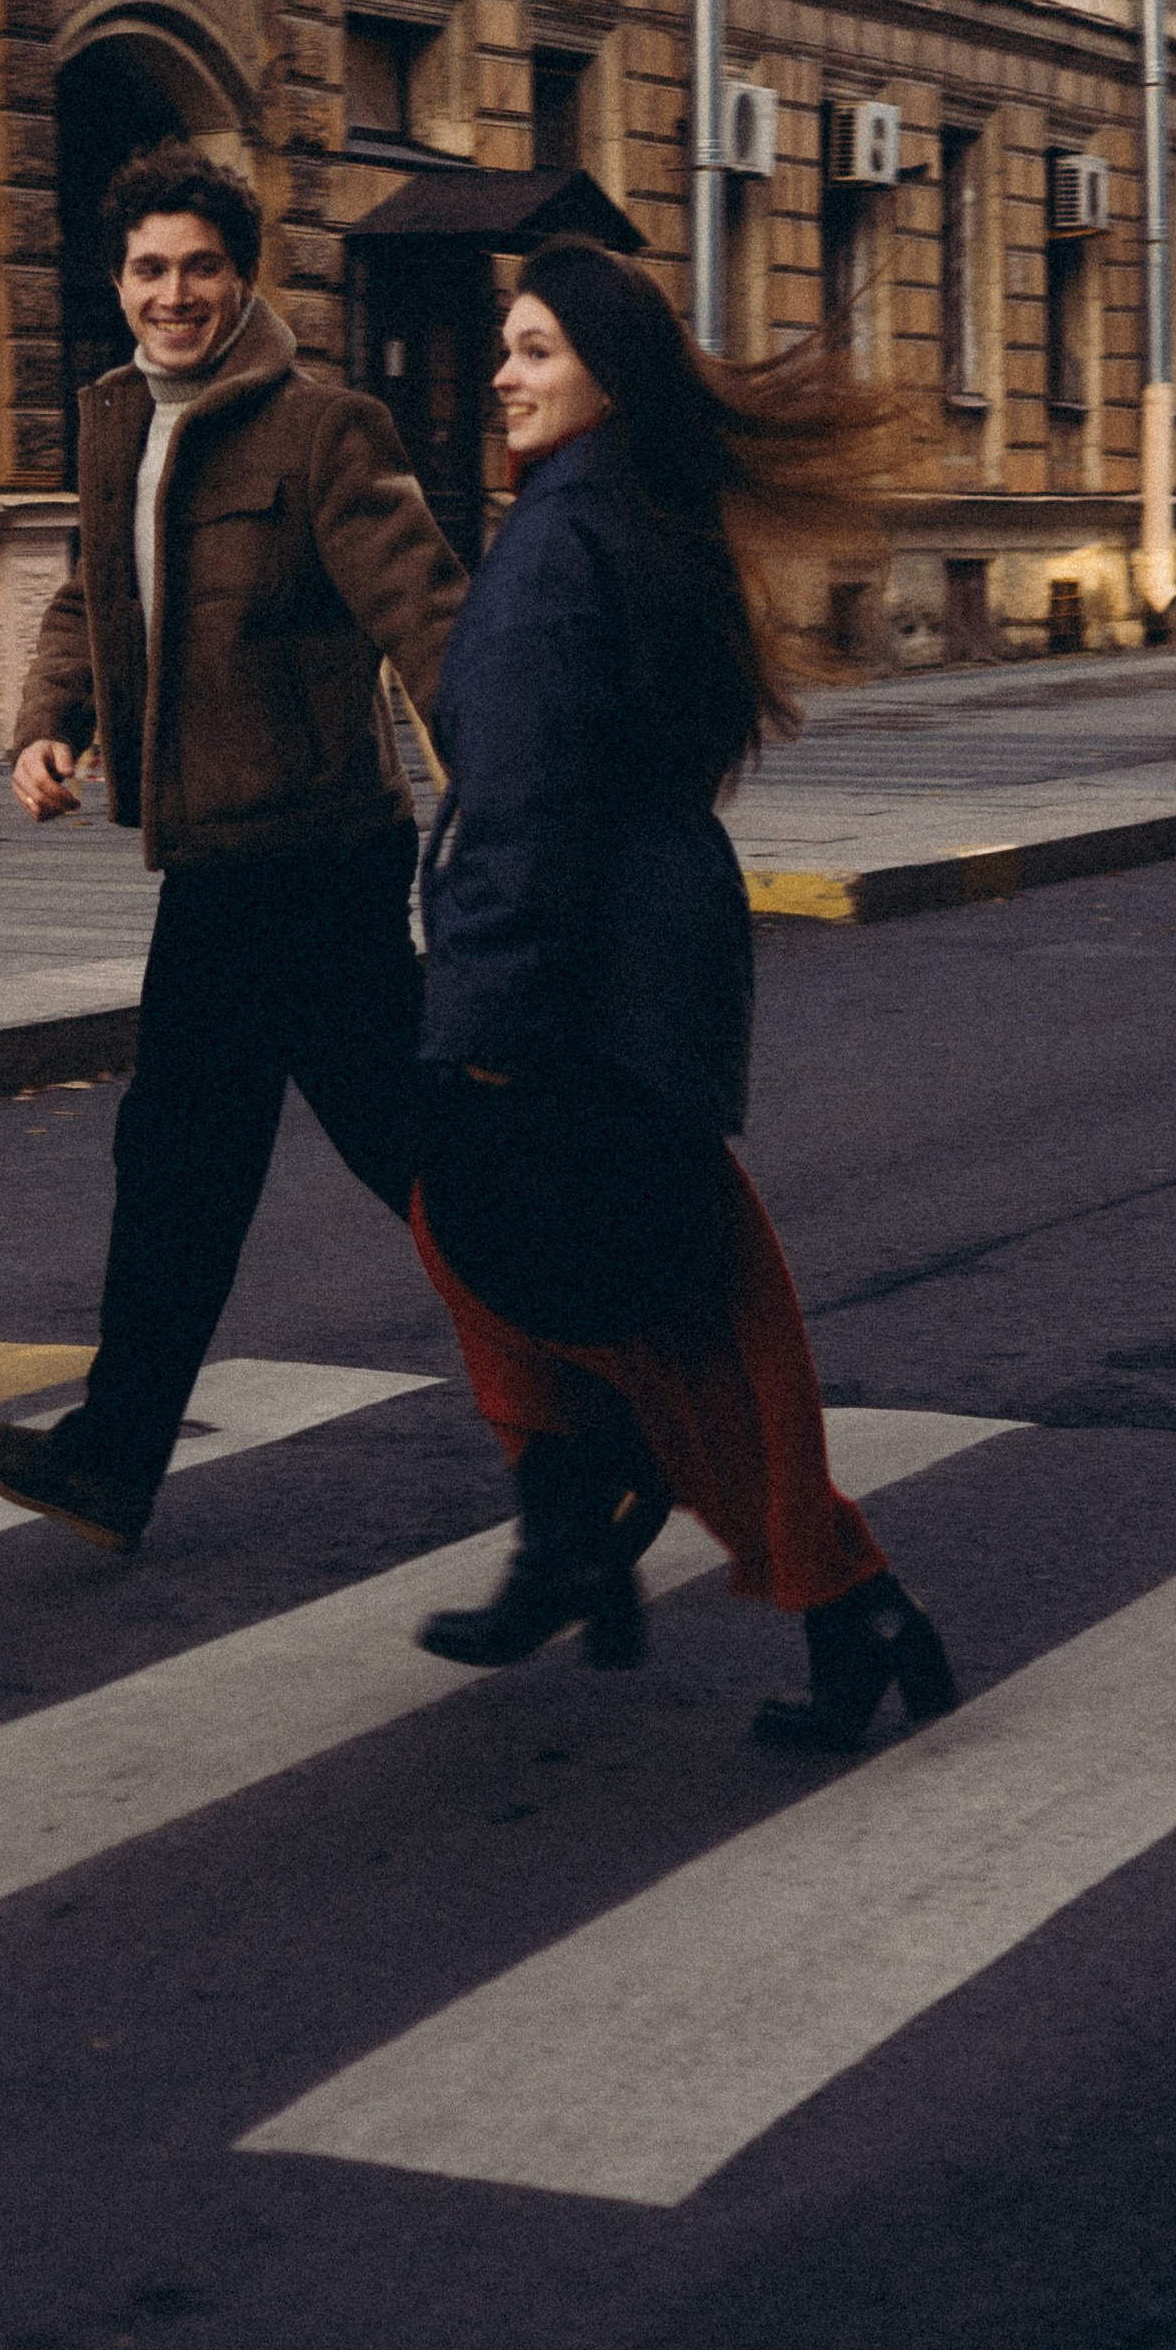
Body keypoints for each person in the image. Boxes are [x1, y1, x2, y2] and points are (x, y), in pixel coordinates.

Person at [406, 236, 959, 1754]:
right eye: (507, 349)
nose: (504, 379)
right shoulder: (651, 519)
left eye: (532, 352)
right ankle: (636, 1535)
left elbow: (517, 813)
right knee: (694, 1294)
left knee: (544, 1256)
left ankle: (644, 1535)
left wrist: (489, 1038)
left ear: (604, 371)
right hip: (657, 962)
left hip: (580, 984)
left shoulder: (552, 551)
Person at [0, 138, 469, 1555]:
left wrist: (508, 787)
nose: (172, 294)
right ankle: (113, 1463)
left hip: (318, 858)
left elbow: (427, 616)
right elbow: (89, 594)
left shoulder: (320, 427)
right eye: (148, 269)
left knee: (402, 1156)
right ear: (119, 282)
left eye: (199, 268)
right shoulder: (120, 416)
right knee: (195, 1162)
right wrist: (49, 724)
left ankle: (608, 1391)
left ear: (242, 279)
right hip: (215, 864)